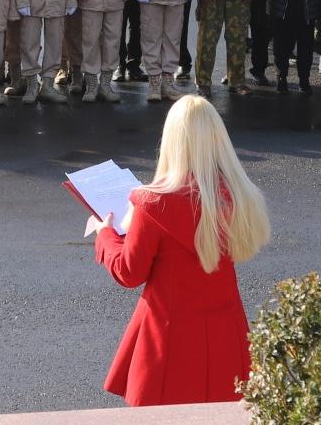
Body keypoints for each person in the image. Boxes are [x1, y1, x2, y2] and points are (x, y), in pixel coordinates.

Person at [89, 95, 269, 408]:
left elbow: (129, 272)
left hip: (169, 339)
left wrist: (105, 234)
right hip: (226, 333)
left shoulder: (152, 204)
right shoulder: (238, 195)